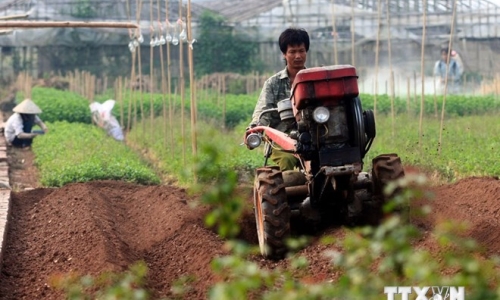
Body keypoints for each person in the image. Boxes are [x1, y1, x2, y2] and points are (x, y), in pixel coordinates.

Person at [248, 27, 309, 171]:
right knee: (287, 160)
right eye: (292, 52)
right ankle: (289, 190)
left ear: (306, 51)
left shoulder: (314, 80)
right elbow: (263, 111)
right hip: (283, 139)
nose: (298, 56)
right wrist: (254, 129)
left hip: (313, 136)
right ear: (284, 54)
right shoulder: (273, 83)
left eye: (301, 50)